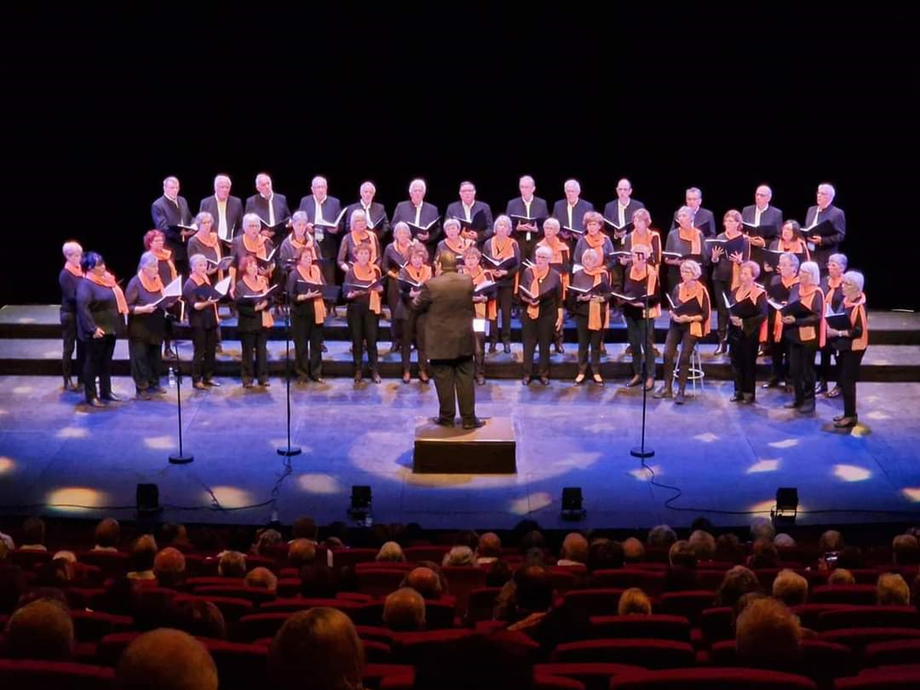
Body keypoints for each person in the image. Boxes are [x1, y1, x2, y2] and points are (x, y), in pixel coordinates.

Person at [412, 251, 482, 428]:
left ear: (439, 265)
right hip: (464, 339)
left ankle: (446, 418)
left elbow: (416, 306)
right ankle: (469, 419)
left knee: (443, 379)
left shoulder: (431, 285)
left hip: (440, 341)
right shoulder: (467, 280)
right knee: (466, 379)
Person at [655, 259, 711, 404]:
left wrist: (689, 318)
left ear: (694, 274)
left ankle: (681, 391)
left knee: (685, 356)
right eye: (682, 271)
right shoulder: (678, 288)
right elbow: (671, 307)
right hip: (676, 324)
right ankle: (667, 387)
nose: (683, 274)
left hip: (692, 325)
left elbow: (705, 314)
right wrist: (673, 315)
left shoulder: (701, 291)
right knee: (667, 353)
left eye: (687, 272)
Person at [77, 252, 127, 407]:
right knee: (92, 364)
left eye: (103, 263)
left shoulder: (107, 281)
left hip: (110, 328)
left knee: (106, 362)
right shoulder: (86, 284)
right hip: (97, 331)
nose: (103, 267)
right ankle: (91, 395)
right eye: (99, 265)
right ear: (90, 268)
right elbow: (83, 308)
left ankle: (106, 391)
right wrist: (92, 329)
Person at [782, 260, 825, 415]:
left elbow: (817, 316)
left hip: (808, 337)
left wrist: (797, 320)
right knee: (795, 369)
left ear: (812, 275)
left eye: (804, 273)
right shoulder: (795, 288)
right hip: (793, 334)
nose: (801, 274)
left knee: (807, 370)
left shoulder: (817, 293)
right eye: (800, 271)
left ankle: (809, 400)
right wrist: (785, 313)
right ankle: (798, 398)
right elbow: (790, 306)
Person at [827, 270, 868, 428]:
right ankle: (848, 413)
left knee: (847, 380)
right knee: (844, 380)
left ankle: (850, 416)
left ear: (856, 287)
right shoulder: (847, 300)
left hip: (854, 347)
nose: (842, 286)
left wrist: (837, 332)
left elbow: (858, 331)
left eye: (846, 284)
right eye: (843, 283)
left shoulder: (859, 306)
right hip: (845, 345)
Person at [125, 252, 168, 400]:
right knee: (140, 358)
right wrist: (143, 309)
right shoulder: (135, 283)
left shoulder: (157, 280)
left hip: (155, 326)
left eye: (157, 266)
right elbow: (128, 307)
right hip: (140, 327)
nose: (157, 269)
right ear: (144, 268)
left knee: (155, 357)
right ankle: (141, 387)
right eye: (153, 267)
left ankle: (154, 383)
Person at [519, 246, 564, 385]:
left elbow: (559, 298)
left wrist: (560, 316)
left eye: (543, 257)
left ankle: (543, 374)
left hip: (547, 314)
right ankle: (527, 374)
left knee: (545, 345)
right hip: (530, 312)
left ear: (549, 259)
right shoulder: (528, 272)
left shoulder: (555, 275)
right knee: (528, 345)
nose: (539, 260)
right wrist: (529, 301)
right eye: (538, 257)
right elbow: (521, 293)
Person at [710, 210, 752, 355]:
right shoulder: (720, 237)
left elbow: (747, 261)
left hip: (736, 279)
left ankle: (734, 342)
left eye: (731, 221)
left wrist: (740, 261)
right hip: (719, 277)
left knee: (734, 310)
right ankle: (721, 342)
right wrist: (715, 257)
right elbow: (714, 261)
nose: (727, 224)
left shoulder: (744, 240)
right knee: (722, 310)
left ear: (738, 223)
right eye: (726, 221)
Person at [619, 245, 659, 391]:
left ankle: (650, 376)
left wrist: (641, 303)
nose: (634, 259)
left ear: (644, 258)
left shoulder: (651, 273)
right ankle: (637, 373)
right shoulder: (628, 271)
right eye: (633, 255)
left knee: (646, 344)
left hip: (644, 312)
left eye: (636, 256)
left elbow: (655, 296)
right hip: (630, 312)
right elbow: (625, 289)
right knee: (634, 343)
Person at [728, 261, 768, 404]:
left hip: (749, 332)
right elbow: (730, 307)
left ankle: (749, 393)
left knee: (748, 363)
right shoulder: (735, 291)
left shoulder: (759, 293)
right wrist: (732, 317)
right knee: (736, 362)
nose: (742, 276)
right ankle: (738, 391)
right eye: (742, 273)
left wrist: (744, 322)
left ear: (753, 276)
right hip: (734, 331)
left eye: (746, 274)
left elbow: (763, 314)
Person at [569, 248, 610, 385]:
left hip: (597, 313)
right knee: (583, 345)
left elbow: (608, 294)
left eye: (591, 260)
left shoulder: (602, 275)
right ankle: (581, 372)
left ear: (596, 261)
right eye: (586, 259)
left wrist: (600, 298)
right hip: (582, 313)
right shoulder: (578, 275)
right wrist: (580, 298)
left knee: (595, 345)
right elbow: (572, 295)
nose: (588, 262)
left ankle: (596, 372)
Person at [482, 214, 521, 354]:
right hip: (492, 282)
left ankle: (506, 341)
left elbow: (517, 264)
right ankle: (493, 342)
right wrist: (491, 271)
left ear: (509, 229)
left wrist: (506, 273)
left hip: (507, 282)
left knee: (506, 313)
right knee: (492, 313)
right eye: (500, 225)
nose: (502, 228)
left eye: (505, 226)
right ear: (495, 228)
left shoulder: (513, 243)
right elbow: (483, 263)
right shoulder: (488, 243)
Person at [286, 248, 326, 383]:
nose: (309, 259)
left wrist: (323, 291)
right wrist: (305, 296)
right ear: (299, 260)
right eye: (305, 257)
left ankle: (316, 373)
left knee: (316, 345)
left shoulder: (316, 270)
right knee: (301, 346)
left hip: (316, 312)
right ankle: (302, 374)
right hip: (300, 314)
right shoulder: (294, 274)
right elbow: (291, 295)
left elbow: (324, 286)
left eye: (310, 256)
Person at [344, 245, 384, 383]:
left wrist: (379, 289)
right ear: (356, 255)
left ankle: (374, 371)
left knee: (372, 341)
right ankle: (358, 370)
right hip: (355, 309)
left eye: (366, 253)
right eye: (361, 253)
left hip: (371, 309)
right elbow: (345, 293)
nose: (363, 256)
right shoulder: (350, 272)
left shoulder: (375, 270)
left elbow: (380, 287)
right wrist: (352, 294)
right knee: (357, 341)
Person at [184, 254, 222, 389]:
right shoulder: (189, 284)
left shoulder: (205, 278)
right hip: (198, 322)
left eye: (205, 265)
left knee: (211, 350)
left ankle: (208, 377)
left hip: (210, 320)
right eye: (200, 265)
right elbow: (195, 306)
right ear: (193, 267)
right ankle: (196, 379)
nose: (204, 268)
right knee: (199, 351)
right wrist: (208, 303)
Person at [763, 251, 800, 390]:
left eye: (784, 265)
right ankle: (775, 377)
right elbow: (768, 296)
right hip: (775, 320)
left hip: (790, 322)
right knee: (775, 352)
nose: (780, 267)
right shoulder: (775, 280)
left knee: (790, 353)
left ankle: (790, 380)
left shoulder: (799, 283)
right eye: (780, 264)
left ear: (794, 268)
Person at [235, 255, 273, 388]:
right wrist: (256, 308)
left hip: (262, 321)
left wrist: (266, 303)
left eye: (255, 265)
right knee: (248, 352)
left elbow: (270, 299)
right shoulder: (240, 285)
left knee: (262, 351)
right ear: (245, 268)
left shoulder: (263, 281)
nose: (254, 268)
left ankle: (263, 377)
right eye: (250, 265)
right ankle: (247, 378)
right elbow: (239, 306)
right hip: (248, 323)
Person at [298, 176, 344, 286]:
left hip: (328, 247)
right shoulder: (305, 201)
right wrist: (305, 227)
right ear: (312, 189)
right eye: (318, 187)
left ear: (327, 188)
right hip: (309, 247)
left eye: (323, 187)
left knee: (329, 280)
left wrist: (336, 228)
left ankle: (329, 298)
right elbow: (299, 220)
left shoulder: (335, 202)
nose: (321, 190)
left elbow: (341, 224)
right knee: (310, 280)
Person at [460, 246, 496, 385]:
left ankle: (479, 373)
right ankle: (466, 373)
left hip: (480, 314)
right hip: (463, 315)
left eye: (473, 258)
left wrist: (485, 298)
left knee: (479, 346)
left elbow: (493, 293)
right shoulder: (460, 274)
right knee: (464, 345)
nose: (470, 261)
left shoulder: (486, 274)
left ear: (478, 260)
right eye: (468, 258)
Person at [398, 244, 433, 383]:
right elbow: (400, 291)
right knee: (406, 341)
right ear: (410, 258)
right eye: (414, 257)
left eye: (419, 257)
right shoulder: (404, 271)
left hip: (423, 310)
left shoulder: (428, 270)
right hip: (408, 309)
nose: (417, 260)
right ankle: (406, 370)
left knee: (422, 342)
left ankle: (422, 370)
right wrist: (410, 294)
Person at [143, 229, 180, 360]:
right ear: (150, 243)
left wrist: (174, 293)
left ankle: (168, 348)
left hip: (169, 293)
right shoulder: (147, 258)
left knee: (168, 323)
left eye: (161, 240)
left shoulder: (167, 255)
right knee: (157, 324)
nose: (160, 243)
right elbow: (143, 277)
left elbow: (173, 272)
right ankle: (154, 350)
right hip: (155, 294)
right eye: (156, 241)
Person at [817, 253, 848, 396]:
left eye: (833, 265)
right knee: (824, 356)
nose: (829, 267)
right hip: (823, 325)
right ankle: (822, 383)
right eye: (829, 264)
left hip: (838, 326)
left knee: (839, 358)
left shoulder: (846, 284)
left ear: (842, 268)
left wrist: (833, 324)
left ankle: (839, 385)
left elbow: (844, 306)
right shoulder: (824, 281)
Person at [150, 175, 194, 275]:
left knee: (187, 275)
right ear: (164, 188)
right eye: (172, 188)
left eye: (177, 188)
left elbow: (189, 218)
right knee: (175, 276)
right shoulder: (158, 205)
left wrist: (195, 224)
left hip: (186, 247)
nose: (175, 190)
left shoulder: (182, 200)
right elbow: (162, 228)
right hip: (172, 248)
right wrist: (180, 234)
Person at [383, 222, 415, 356]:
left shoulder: (414, 247)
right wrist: (392, 274)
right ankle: (395, 341)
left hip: (410, 282)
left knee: (409, 314)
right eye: (399, 233)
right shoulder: (390, 248)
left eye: (404, 233)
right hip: (394, 283)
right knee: (395, 313)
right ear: (395, 234)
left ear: (408, 234)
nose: (402, 235)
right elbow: (384, 266)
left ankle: (409, 341)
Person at [505, 174, 549, 264]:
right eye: (522, 187)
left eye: (527, 187)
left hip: (536, 240)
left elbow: (546, 225)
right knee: (519, 267)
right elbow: (507, 225)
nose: (524, 190)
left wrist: (537, 230)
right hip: (519, 240)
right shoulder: (512, 204)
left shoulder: (541, 203)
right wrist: (517, 228)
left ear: (533, 189)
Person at [804, 182, 846, 274]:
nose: (819, 196)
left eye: (823, 194)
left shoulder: (837, 213)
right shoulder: (811, 210)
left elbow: (840, 235)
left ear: (830, 197)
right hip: (809, 254)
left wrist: (822, 240)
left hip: (824, 257)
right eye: (818, 193)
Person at [392, 178, 441, 256]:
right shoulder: (401, 207)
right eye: (415, 191)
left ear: (423, 194)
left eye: (420, 191)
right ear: (411, 193)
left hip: (425, 248)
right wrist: (403, 235)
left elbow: (438, 229)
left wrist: (428, 237)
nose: (417, 193)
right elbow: (393, 225)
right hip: (404, 247)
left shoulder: (432, 209)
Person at [59, 241, 84, 392]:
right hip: (69, 314)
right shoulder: (65, 274)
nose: (78, 258)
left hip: (80, 314)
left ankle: (82, 379)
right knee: (69, 347)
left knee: (82, 347)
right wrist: (86, 301)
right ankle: (67, 379)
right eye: (75, 255)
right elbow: (70, 297)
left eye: (79, 255)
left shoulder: (81, 271)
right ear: (68, 256)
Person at [664, 205, 707, 293]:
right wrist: (676, 262)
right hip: (677, 274)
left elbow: (704, 257)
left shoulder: (699, 234)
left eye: (684, 216)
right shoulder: (672, 235)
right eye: (679, 216)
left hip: (694, 274)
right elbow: (666, 259)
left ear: (691, 218)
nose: (681, 218)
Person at [245, 172, 291, 239]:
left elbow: (287, 217)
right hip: (260, 238)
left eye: (268, 183)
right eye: (263, 185)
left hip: (280, 237)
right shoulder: (251, 201)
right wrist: (260, 231)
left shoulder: (281, 199)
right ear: (258, 188)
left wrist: (289, 222)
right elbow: (247, 222)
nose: (267, 187)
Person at [199, 174, 244, 241]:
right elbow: (201, 225)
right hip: (211, 242)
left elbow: (241, 225)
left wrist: (236, 240)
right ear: (215, 188)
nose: (225, 190)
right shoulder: (206, 203)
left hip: (231, 243)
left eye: (227, 187)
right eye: (222, 187)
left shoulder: (236, 202)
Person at [602, 178, 646, 245]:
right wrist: (615, 235)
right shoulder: (609, 207)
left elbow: (644, 227)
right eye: (620, 189)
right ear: (617, 190)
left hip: (634, 244)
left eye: (625, 189)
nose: (622, 192)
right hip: (615, 245)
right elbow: (605, 229)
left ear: (630, 191)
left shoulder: (638, 206)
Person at [345, 180, 390, 245]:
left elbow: (386, 225)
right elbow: (348, 226)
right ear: (361, 193)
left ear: (373, 194)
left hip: (375, 242)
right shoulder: (352, 208)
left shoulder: (380, 208)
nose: (368, 194)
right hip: (356, 242)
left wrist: (376, 235)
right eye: (365, 192)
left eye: (370, 192)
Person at [551, 179, 594, 246]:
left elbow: (592, 225)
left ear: (578, 192)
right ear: (565, 192)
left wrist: (583, 235)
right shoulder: (558, 205)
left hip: (582, 242)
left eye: (572, 191)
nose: (570, 194)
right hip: (563, 242)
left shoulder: (587, 206)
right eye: (568, 191)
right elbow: (553, 224)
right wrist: (561, 233)